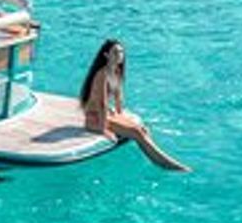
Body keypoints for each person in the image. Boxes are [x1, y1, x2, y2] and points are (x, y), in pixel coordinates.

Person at [79, 39, 191, 172]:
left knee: (142, 129)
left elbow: (118, 98)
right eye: (115, 52)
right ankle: (167, 164)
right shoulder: (102, 74)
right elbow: (102, 104)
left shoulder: (116, 72)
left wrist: (121, 115)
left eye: (121, 52)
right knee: (136, 132)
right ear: (106, 55)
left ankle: (159, 160)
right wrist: (103, 130)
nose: (119, 55)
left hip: (106, 114)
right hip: (95, 118)